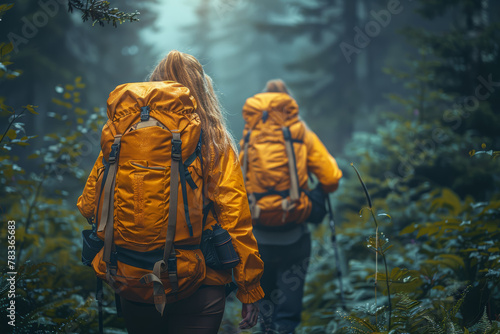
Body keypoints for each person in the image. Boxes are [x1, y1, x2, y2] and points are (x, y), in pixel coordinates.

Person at [77, 50, 264, 334]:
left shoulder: (121, 139)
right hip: (201, 281)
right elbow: (235, 217)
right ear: (202, 89)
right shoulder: (215, 140)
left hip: (135, 277)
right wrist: (249, 289)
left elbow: (89, 205)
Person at [239, 79, 342, 333]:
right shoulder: (300, 132)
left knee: (267, 312)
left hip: (258, 237)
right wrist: (313, 194)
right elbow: (331, 178)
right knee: (287, 315)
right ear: (290, 105)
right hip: (295, 237)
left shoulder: (249, 135)